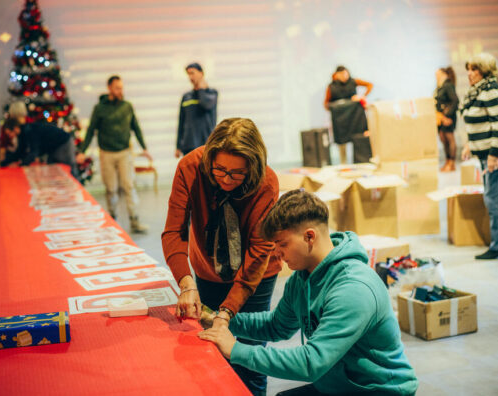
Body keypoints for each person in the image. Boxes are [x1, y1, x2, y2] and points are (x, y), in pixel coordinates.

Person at [199, 190, 419, 396]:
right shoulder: (302, 278)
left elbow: (311, 363)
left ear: (309, 237)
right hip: (340, 385)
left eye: (281, 243)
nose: (276, 253)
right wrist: (218, 320)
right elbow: (277, 326)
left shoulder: (353, 288)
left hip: (378, 390)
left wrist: (236, 349)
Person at [162, 118, 282, 395]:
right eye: (219, 170)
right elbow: (173, 231)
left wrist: (227, 312)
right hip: (208, 269)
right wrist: (186, 284)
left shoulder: (266, 181)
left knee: (248, 354)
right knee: (212, 349)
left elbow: (259, 249)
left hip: (257, 274)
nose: (227, 180)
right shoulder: (190, 168)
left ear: (253, 165)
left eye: (237, 174)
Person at [79, 75, 152, 233]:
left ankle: (134, 221)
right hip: (107, 153)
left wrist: (144, 148)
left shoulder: (127, 106)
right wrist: (82, 151)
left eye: (121, 87)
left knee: (129, 186)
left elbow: (136, 127)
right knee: (111, 188)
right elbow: (91, 130)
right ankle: (112, 220)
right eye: (117, 88)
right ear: (110, 88)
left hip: (125, 153)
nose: (121, 91)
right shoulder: (99, 109)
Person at [461, 52, 498, 260]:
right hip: (484, 154)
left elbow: (496, 123)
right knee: (492, 198)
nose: (470, 73)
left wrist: (494, 155)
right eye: (469, 69)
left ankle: (496, 246)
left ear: (485, 71)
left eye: (475, 69)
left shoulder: (490, 90)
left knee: (493, 200)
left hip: (493, 156)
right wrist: (469, 144)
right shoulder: (477, 91)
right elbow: (476, 122)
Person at [0, 106, 82, 179]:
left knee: (69, 169)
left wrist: (21, 164)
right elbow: (20, 152)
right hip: (53, 147)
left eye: (9, 133)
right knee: (53, 171)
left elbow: (34, 152)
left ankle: (79, 192)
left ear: (15, 128)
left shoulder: (29, 131)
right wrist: (3, 163)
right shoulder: (22, 134)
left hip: (63, 143)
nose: (9, 136)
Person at [324, 66, 373, 164]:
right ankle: (343, 165)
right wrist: (336, 107)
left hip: (355, 117)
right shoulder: (332, 87)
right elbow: (326, 104)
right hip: (340, 120)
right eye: (342, 74)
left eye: (346, 74)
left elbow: (369, 85)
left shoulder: (353, 82)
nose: (344, 76)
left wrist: (362, 97)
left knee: (358, 139)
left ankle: (361, 162)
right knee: (342, 143)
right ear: (337, 75)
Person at [175, 62, 218, 158]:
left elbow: (206, 105)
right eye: (188, 74)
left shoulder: (211, 94)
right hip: (188, 145)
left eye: (192, 73)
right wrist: (178, 146)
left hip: (206, 145)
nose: (190, 77)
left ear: (201, 73)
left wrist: (201, 90)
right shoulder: (186, 96)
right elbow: (181, 121)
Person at [435, 66, 459, 172]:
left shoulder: (448, 85)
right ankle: (447, 161)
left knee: (449, 138)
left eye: (438, 74)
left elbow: (455, 101)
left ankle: (452, 162)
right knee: (443, 138)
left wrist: (447, 115)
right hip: (440, 117)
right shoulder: (440, 87)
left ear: (444, 74)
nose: (436, 77)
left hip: (448, 117)